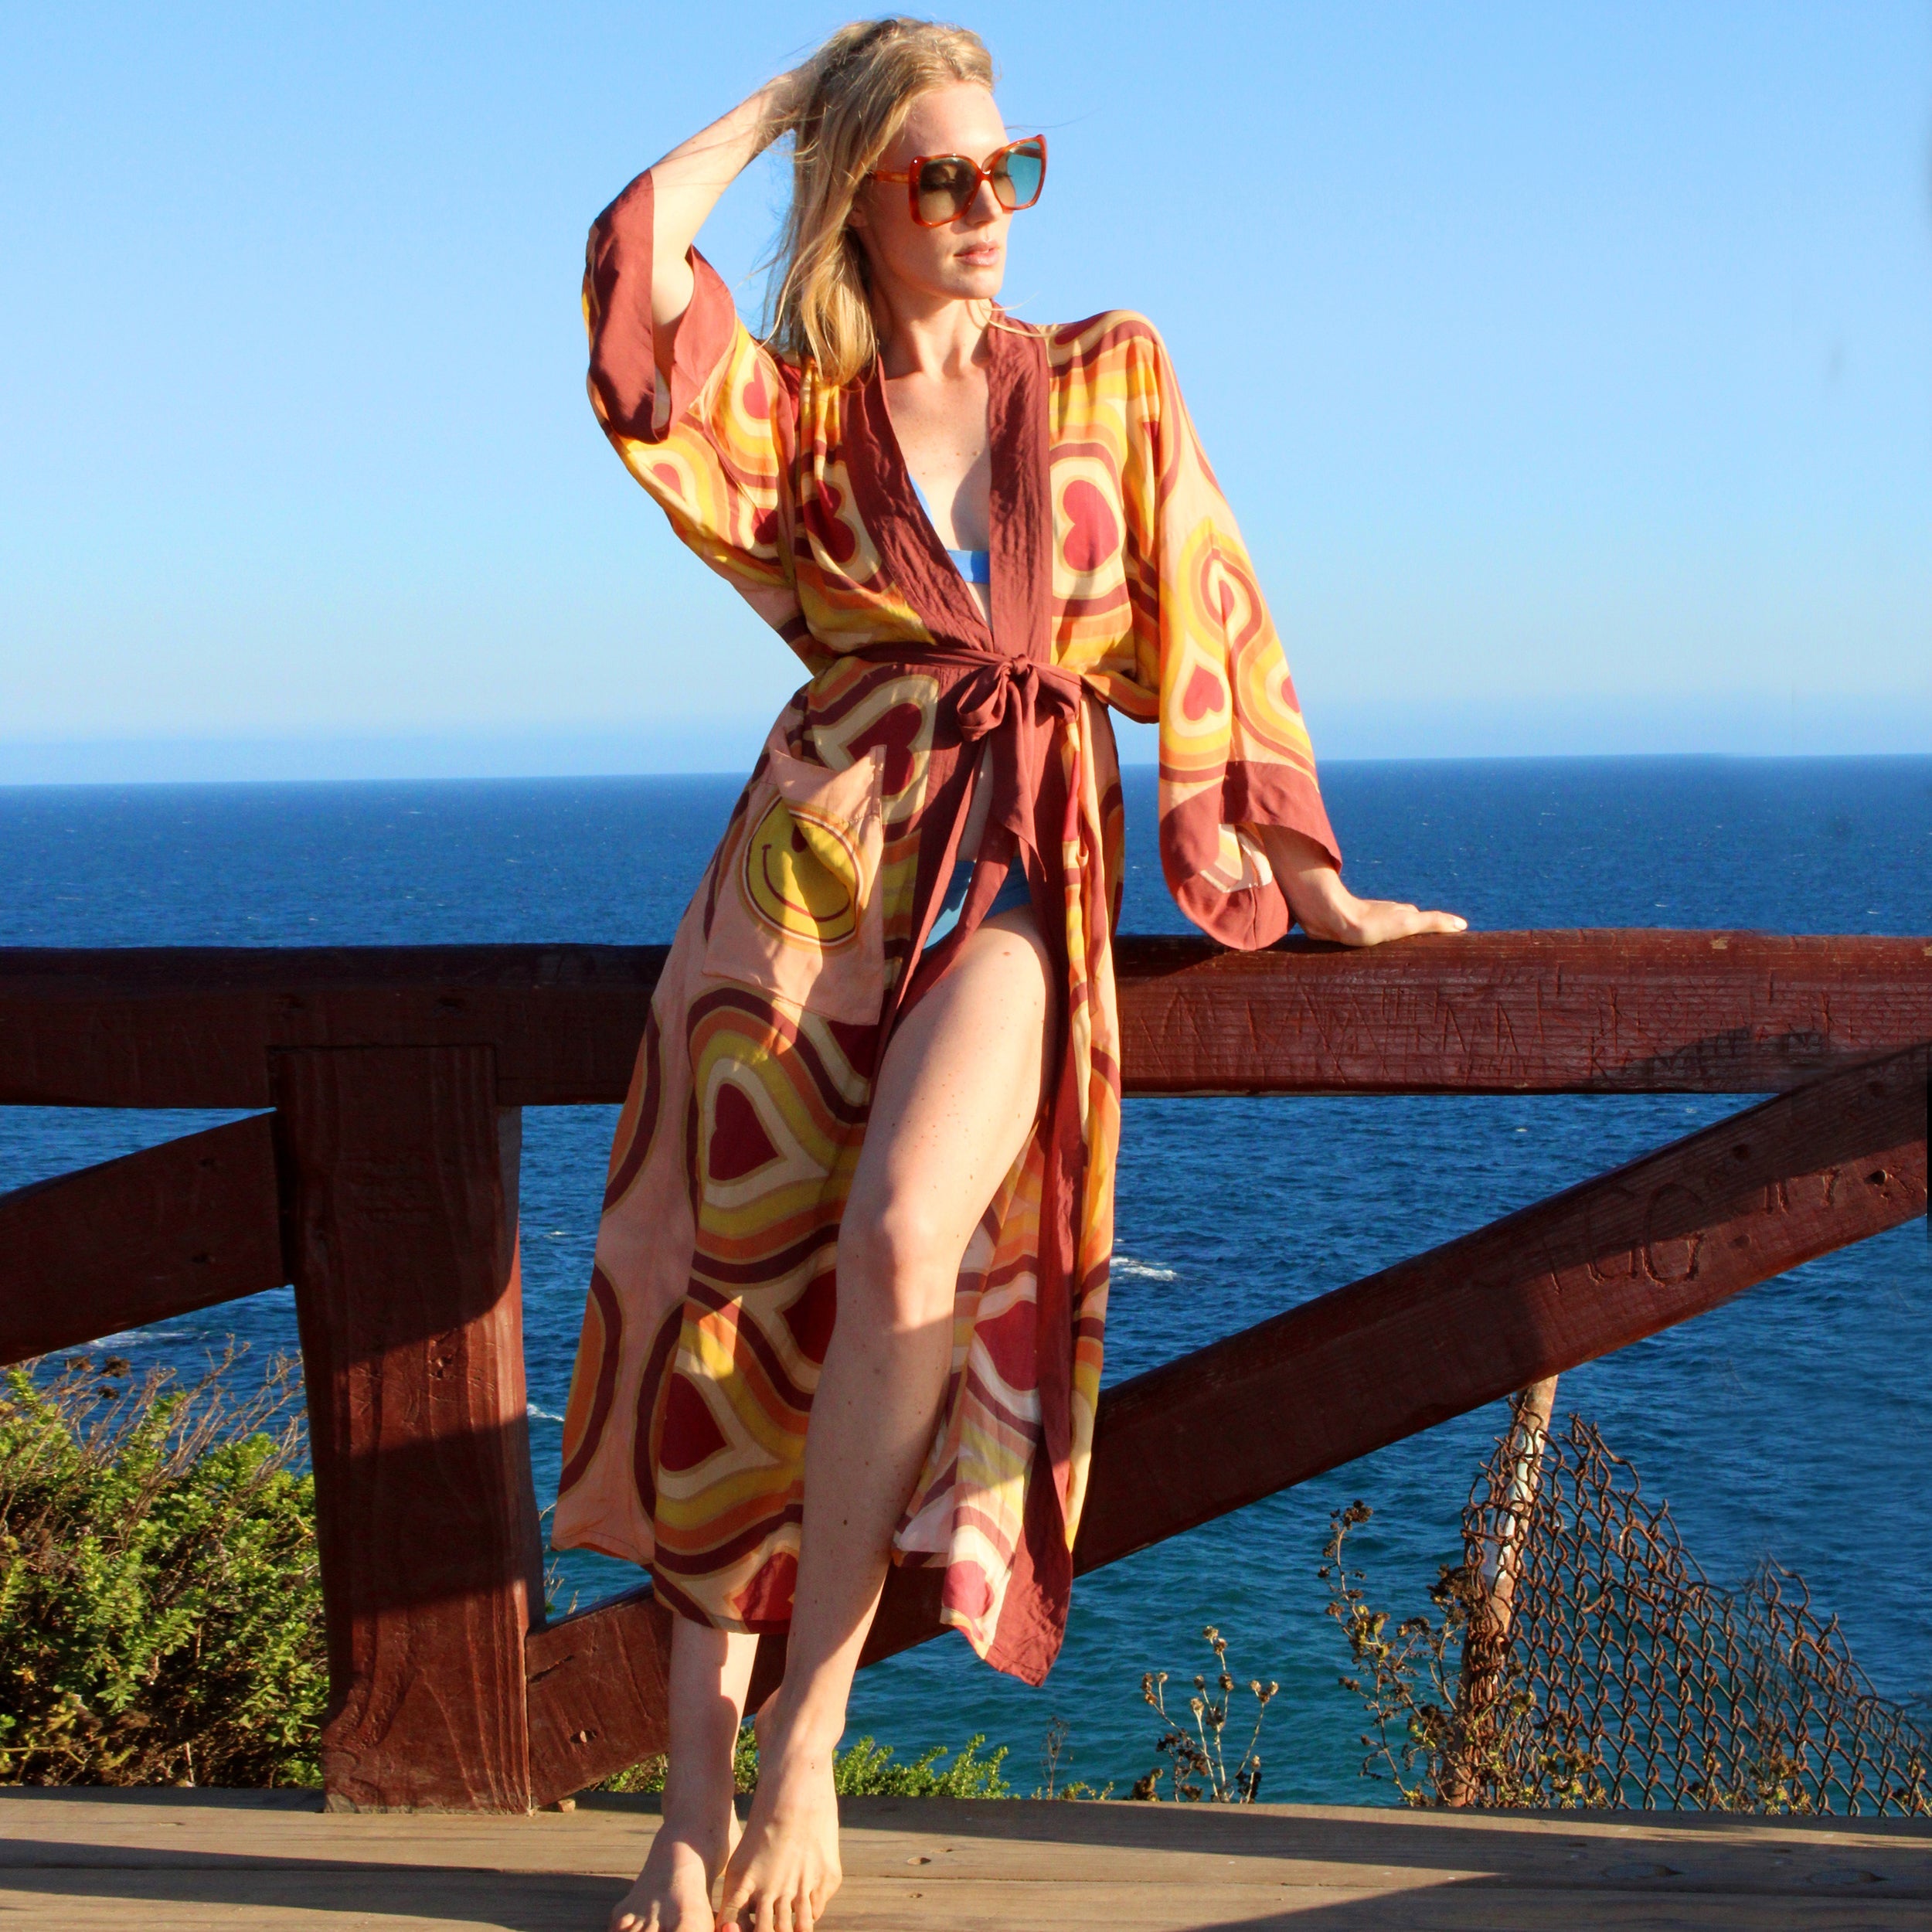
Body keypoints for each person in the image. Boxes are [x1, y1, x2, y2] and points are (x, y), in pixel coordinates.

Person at [554, 19, 1465, 1930]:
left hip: (1013, 866)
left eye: (1013, 168)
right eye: (944, 177)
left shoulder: (1106, 373)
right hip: (804, 877)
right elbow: (636, 282)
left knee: (902, 1236)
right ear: (863, 201)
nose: (989, 208)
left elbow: (1212, 604)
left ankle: (806, 1744)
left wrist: (1310, 881)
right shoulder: (798, 421)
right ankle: (688, 1811)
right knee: (734, 1309)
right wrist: (793, 99)